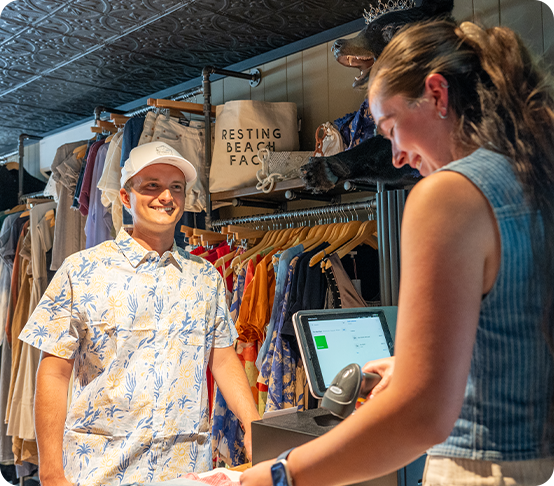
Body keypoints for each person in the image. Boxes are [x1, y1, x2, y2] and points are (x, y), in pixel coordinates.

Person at [241, 19, 554, 486]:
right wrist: (420, 366)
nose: (397, 157)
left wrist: (275, 476)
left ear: (436, 94)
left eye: (391, 129)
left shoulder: (450, 194)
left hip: (486, 469)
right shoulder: (535, 176)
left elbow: (420, 416)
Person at [20, 141, 260, 486]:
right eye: (152, 186)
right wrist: (50, 472)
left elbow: (221, 357)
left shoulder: (205, 277)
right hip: (101, 471)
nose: (166, 196)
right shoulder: (82, 270)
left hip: (186, 469)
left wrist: (253, 425)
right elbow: (54, 373)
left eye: (176, 187)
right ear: (124, 197)